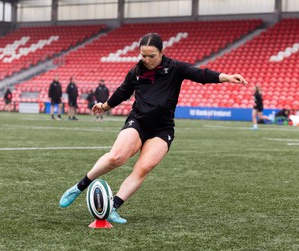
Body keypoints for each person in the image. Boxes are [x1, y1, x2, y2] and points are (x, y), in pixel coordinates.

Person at [59, 33, 248, 224]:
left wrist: (226, 77)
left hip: (163, 129)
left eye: (151, 56)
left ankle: (112, 208)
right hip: (138, 121)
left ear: (161, 53)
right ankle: (78, 187)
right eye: (143, 55)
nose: (147, 60)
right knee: (117, 157)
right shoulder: (136, 71)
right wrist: (104, 106)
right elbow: (122, 92)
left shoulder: (175, 68)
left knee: (143, 168)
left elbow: (201, 74)